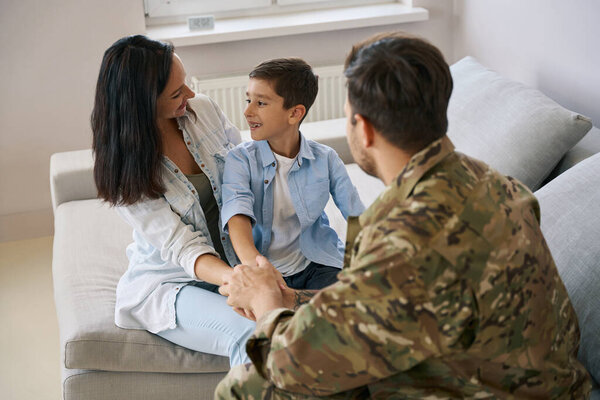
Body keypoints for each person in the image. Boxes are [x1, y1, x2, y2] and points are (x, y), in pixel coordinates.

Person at [215, 32, 592, 398]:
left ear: (362, 129)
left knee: (244, 388)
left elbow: (288, 363)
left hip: (474, 385)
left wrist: (266, 303)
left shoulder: (405, 238)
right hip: (534, 379)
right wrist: (289, 297)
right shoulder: (496, 185)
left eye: (347, 118)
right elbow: (377, 302)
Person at [91, 35, 256, 366]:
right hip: (175, 281)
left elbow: (245, 179)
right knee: (253, 337)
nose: (191, 95)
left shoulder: (204, 110)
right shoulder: (128, 171)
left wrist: (253, 262)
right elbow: (182, 247)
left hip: (235, 260)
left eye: (187, 83)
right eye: (177, 93)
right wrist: (239, 281)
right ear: (141, 103)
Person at [220, 58, 364, 291]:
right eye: (249, 100)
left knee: (350, 304)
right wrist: (257, 269)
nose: (248, 111)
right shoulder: (240, 160)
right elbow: (237, 215)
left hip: (318, 264)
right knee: (277, 319)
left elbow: (356, 213)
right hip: (263, 268)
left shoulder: (325, 159)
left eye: (261, 103)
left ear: (295, 113)